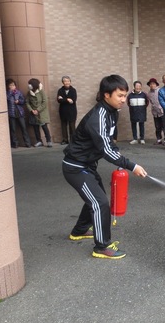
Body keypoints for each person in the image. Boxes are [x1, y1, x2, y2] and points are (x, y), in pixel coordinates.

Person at [62, 74, 148, 259]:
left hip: (87, 165)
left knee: (95, 197)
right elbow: (107, 151)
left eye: (125, 95)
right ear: (106, 95)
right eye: (120, 95)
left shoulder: (111, 113)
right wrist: (132, 166)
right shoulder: (98, 117)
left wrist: (120, 160)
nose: (124, 100)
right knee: (99, 203)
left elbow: (110, 142)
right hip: (75, 167)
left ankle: (79, 230)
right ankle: (102, 247)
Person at [26, 78, 53, 148]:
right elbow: (27, 102)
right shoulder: (29, 92)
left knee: (44, 127)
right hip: (33, 113)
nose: (29, 86)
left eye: (30, 84)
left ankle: (49, 140)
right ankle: (39, 141)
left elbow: (45, 102)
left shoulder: (41, 91)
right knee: (35, 128)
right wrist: (31, 110)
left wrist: (38, 110)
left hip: (42, 113)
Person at [6, 79, 32, 148]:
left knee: (24, 128)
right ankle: (15, 144)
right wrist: (11, 92)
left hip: (20, 112)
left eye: (13, 85)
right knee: (13, 129)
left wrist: (19, 101)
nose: (12, 86)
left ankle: (27, 143)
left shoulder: (18, 92)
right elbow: (7, 99)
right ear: (8, 86)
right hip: (12, 113)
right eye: (11, 85)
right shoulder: (7, 93)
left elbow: (23, 100)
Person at [56, 75, 77, 145]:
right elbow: (59, 100)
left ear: (70, 82)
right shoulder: (60, 90)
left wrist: (63, 99)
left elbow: (73, 100)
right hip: (63, 111)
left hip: (72, 111)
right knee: (63, 126)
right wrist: (67, 99)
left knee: (72, 126)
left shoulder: (73, 90)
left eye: (68, 81)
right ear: (62, 82)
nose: (67, 82)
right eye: (65, 81)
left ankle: (73, 140)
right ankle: (65, 140)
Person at [127, 80, 148, 145]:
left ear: (141, 87)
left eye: (139, 86)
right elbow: (128, 103)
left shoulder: (144, 94)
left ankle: (142, 139)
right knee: (133, 125)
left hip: (142, 111)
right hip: (133, 111)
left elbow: (147, 103)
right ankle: (135, 139)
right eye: (137, 86)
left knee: (141, 125)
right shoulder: (130, 95)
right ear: (134, 86)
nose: (138, 87)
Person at [146, 77, 165, 145]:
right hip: (155, 112)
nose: (152, 85)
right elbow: (150, 102)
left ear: (156, 84)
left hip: (162, 111)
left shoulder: (160, 91)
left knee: (164, 126)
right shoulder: (149, 93)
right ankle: (159, 139)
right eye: (151, 84)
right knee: (157, 127)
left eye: (153, 84)